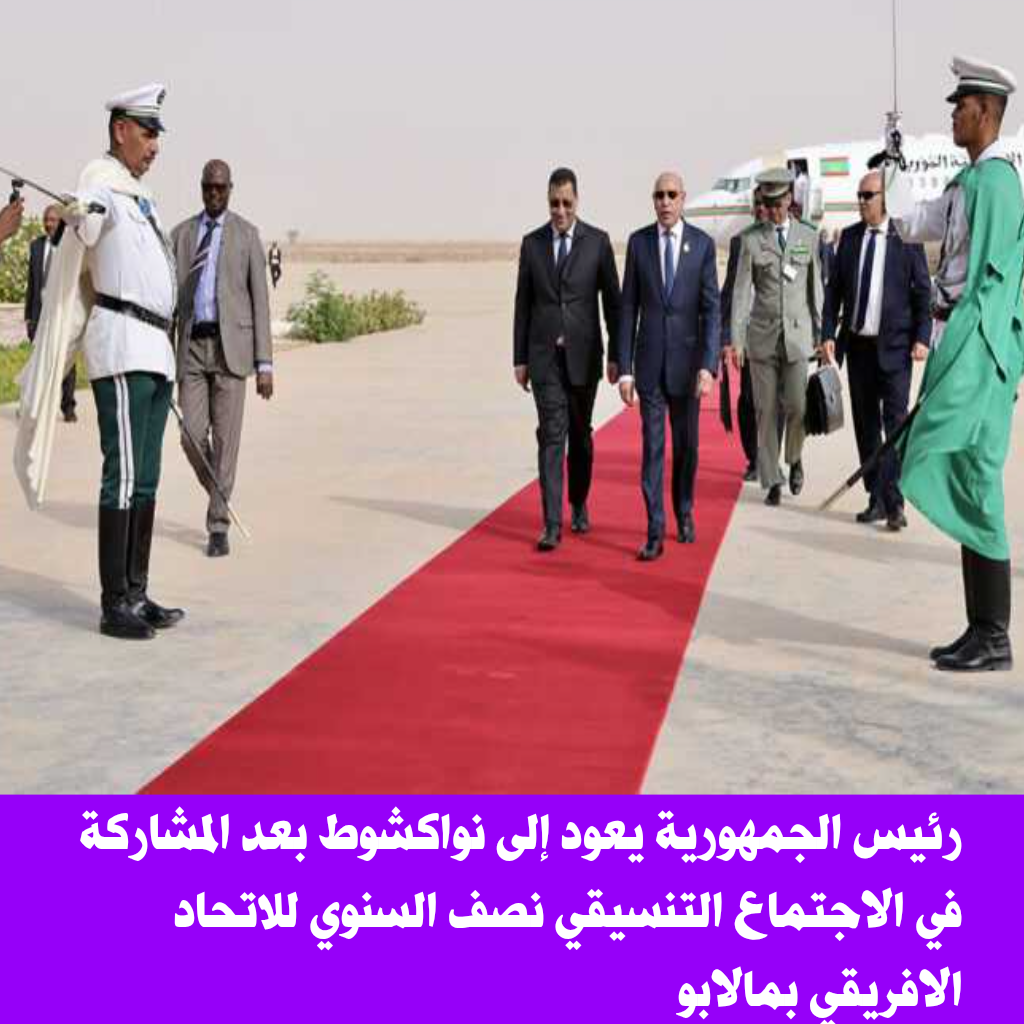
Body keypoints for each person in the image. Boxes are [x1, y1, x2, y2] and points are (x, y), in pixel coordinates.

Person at [884, 56, 1023, 672]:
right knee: (966, 479)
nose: (953, 115)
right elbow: (911, 223)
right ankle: (980, 628)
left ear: (986, 112)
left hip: (977, 351)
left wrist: (968, 364)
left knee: (978, 481)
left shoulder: (998, 184)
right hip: (957, 343)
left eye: (961, 106)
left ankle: (994, 637)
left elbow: (993, 286)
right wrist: (894, 168)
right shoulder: (968, 183)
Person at [42, 83, 182, 639]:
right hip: (122, 343)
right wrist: (75, 212)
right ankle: (113, 603)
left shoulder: (138, 192)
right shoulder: (100, 179)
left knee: (146, 477)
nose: (155, 146)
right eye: (147, 134)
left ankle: (137, 593)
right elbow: (90, 219)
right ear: (121, 130)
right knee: (121, 475)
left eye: (157, 136)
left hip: (154, 348)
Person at [513, 166, 621, 551]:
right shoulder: (532, 244)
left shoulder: (598, 243)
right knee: (551, 436)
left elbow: (613, 304)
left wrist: (618, 356)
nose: (559, 211)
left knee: (580, 437)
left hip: (584, 357)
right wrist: (520, 358)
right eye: (554, 203)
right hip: (544, 359)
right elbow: (523, 304)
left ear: (577, 201)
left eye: (566, 203)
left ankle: (578, 501)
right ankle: (551, 524)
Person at [172, 160, 273, 557]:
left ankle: (218, 525)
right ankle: (221, 491)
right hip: (192, 349)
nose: (214, 194)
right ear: (201, 188)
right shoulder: (181, 235)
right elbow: (169, 302)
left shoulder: (247, 235)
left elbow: (260, 302)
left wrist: (264, 364)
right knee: (191, 436)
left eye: (220, 188)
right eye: (208, 188)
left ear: (230, 189)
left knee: (227, 442)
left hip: (232, 350)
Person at [617, 171, 720, 560]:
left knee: (687, 448)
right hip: (649, 368)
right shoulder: (639, 243)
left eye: (671, 194)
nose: (664, 201)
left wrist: (708, 365)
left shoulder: (702, 245)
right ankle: (654, 530)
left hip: (688, 369)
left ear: (683, 199)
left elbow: (712, 310)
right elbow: (628, 307)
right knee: (653, 450)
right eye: (659, 195)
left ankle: (684, 509)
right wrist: (625, 368)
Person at [821, 170, 931, 531]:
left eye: (868, 195)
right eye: (859, 195)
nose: (862, 202)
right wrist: (827, 333)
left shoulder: (906, 237)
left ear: (885, 198)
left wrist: (922, 337)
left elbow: (922, 293)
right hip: (859, 349)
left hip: (895, 349)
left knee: (895, 426)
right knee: (866, 427)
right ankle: (876, 499)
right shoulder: (850, 238)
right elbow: (834, 292)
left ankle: (894, 502)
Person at [730, 167, 823, 506]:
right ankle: (772, 479)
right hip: (762, 338)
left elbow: (815, 288)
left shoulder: (807, 236)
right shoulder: (751, 239)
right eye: (766, 204)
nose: (771, 210)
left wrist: (821, 333)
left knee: (797, 405)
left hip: (797, 337)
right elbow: (741, 293)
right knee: (766, 410)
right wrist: (737, 340)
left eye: (777, 203)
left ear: (789, 199)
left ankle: (794, 457)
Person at [720, 187, 777, 481]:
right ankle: (755, 459)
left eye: (765, 203)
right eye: (756, 204)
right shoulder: (739, 242)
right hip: (750, 337)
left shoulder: (789, 239)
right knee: (748, 401)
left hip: (780, 335)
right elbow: (729, 292)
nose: (760, 209)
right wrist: (725, 338)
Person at [25, 204, 78, 422]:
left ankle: (68, 407)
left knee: (66, 360)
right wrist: (29, 316)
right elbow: (32, 283)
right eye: (46, 220)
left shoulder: (68, 246)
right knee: (38, 362)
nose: (48, 224)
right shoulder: (36, 246)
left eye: (53, 220)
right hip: (40, 314)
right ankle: (36, 405)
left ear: (61, 222)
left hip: (61, 312)